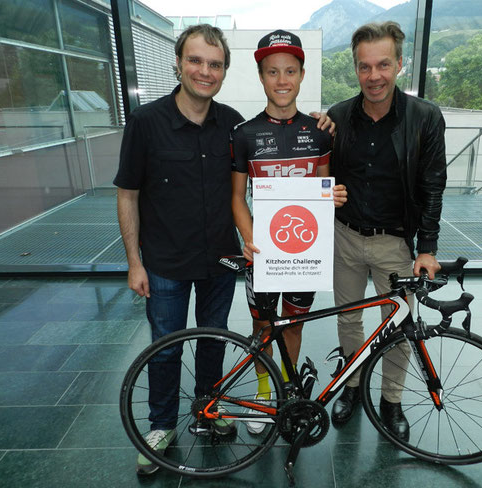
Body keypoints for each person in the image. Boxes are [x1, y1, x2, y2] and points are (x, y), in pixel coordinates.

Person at [114, 24, 244, 475]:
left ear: (224, 71)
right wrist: (134, 263)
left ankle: (208, 412)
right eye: (196, 60)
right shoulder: (147, 122)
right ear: (178, 62)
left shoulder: (233, 123)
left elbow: (270, 158)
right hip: (165, 261)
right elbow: (127, 193)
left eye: (214, 64)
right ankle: (162, 426)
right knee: (165, 348)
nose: (204, 71)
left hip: (221, 261)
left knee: (213, 340)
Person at [327, 21, 447, 441]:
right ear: (355, 69)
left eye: (382, 65)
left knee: (397, 326)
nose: (373, 75)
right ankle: (353, 387)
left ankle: (390, 400)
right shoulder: (338, 117)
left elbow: (433, 185)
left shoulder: (425, 118)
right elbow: (318, 174)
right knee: (348, 320)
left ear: (399, 64)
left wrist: (427, 248)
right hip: (344, 237)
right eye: (364, 67)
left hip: (395, 242)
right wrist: (325, 192)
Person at [231, 30, 347, 435]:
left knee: (293, 324)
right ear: (261, 76)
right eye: (272, 71)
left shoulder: (320, 131)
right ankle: (264, 394)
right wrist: (250, 241)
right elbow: (236, 199)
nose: (282, 80)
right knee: (264, 327)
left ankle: (287, 387)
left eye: (290, 71)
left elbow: (323, 189)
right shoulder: (243, 134)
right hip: (262, 251)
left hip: (301, 251)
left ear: (301, 75)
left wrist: (331, 197)